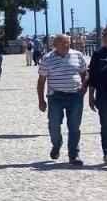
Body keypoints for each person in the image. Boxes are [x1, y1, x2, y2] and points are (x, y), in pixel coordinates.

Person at [37, 33, 89, 165]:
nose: (67, 46)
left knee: (74, 126)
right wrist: (41, 100)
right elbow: (41, 81)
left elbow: (84, 74)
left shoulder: (77, 55)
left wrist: (84, 88)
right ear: (55, 45)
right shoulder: (47, 59)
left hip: (75, 96)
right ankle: (57, 143)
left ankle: (74, 154)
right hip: (56, 97)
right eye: (63, 43)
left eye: (68, 43)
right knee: (53, 124)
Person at [88, 24, 107, 166]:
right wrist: (90, 96)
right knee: (106, 125)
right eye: (103, 34)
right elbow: (92, 77)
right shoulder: (98, 54)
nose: (104, 37)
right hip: (103, 95)